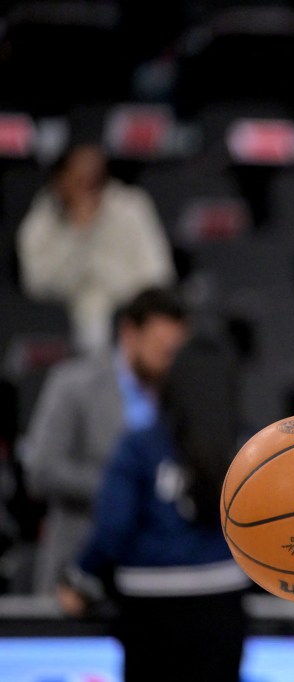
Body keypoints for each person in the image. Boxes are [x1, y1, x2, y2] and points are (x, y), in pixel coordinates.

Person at [56, 332, 250, 682]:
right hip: (222, 603)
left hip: (149, 606)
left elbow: (113, 527)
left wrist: (79, 579)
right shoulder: (252, 450)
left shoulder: (141, 446)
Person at [21, 287, 188, 595]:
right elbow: (42, 470)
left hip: (154, 574)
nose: (167, 361)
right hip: (78, 561)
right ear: (129, 332)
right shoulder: (73, 384)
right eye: (159, 347)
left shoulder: (181, 393)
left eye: (173, 352)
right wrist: (122, 489)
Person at [16, 143, 176, 355]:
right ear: (60, 179)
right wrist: (78, 235)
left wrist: (111, 285)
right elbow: (35, 282)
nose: (88, 189)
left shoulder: (131, 207)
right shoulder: (42, 219)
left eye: (95, 178)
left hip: (127, 314)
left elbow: (158, 274)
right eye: (79, 179)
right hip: (64, 321)